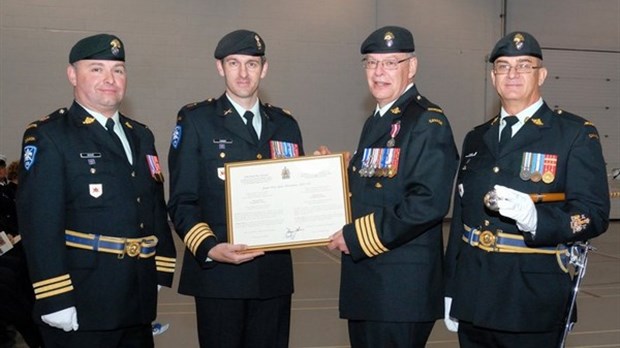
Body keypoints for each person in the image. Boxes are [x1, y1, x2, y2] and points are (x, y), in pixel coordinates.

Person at [443, 31, 610, 347]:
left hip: (532, 300)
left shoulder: (573, 134)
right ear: (493, 77)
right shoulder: (477, 138)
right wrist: (451, 288)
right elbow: (460, 221)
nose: (513, 74)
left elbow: (594, 214)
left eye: (524, 65)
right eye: (503, 66)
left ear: (542, 75)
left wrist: (537, 220)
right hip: (474, 297)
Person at [16, 33, 176, 348]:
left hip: (138, 297)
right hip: (83, 298)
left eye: (118, 69)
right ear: (72, 74)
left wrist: (160, 267)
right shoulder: (50, 136)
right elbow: (39, 222)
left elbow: (153, 204)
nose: (110, 79)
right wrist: (54, 294)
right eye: (96, 69)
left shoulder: (140, 135)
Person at [319, 26, 459, 348]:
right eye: (371, 63)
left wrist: (356, 236)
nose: (379, 72)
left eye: (391, 63)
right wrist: (329, 174)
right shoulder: (377, 120)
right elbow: (375, 186)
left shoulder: (427, 121)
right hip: (371, 284)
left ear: (412, 67)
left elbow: (427, 202)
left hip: (399, 291)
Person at [167, 29, 304, 348]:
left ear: (264, 68)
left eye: (252, 64)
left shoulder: (286, 124)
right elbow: (182, 201)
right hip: (219, 276)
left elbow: (294, 192)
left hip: (272, 276)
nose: (243, 73)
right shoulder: (196, 120)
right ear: (220, 67)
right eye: (233, 63)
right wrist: (209, 247)